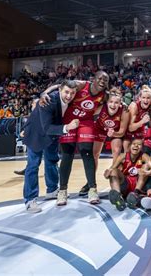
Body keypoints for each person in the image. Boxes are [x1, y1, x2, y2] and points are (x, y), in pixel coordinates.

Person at [41, 71, 109, 205]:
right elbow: (59, 86)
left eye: (106, 80)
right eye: (100, 78)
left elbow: (104, 105)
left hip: (86, 122)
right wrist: (44, 93)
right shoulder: (81, 85)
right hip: (68, 120)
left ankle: (92, 189)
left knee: (86, 151)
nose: (102, 81)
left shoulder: (104, 96)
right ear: (93, 79)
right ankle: (62, 191)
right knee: (67, 154)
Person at [22, 80, 78, 213]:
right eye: (66, 92)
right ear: (60, 91)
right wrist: (67, 127)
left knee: (52, 160)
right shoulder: (48, 101)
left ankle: (52, 190)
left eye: (72, 93)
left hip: (52, 134)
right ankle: (30, 199)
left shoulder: (65, 94)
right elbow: (47, 128)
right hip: (37, 133)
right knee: (33, 165)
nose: (69, 96)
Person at [103, 138, 151, 211]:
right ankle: (118, 196)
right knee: (113, 171)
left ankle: (136, 193)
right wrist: (107, 174)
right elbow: (111, 169)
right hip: (126, 183)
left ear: (142, 148)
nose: (136, 146)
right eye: (134, 144)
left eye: (139, 144)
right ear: (130, 146)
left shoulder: (144, 156)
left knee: (146, 166)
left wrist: (147, 172)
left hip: (138, 183)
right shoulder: (122, 156)